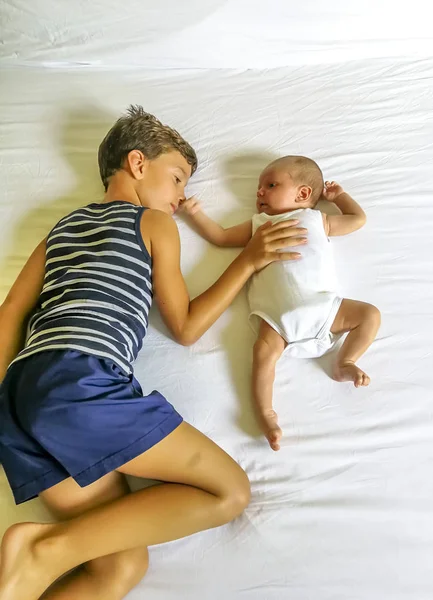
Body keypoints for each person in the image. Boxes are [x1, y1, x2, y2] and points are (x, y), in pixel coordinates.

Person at [0, 107, 305, 600]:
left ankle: (41, 556)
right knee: (228, 492)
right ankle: (43, 552)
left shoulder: (60, 229)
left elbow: (10, 312)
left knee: (119, 566)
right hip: (83, 382)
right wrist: (248, 260)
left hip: (20, 399)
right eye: (178, 178)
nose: (181, 196)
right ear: (137, 164)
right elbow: (185, 326)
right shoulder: (152, 223)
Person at [181, 155, 381, 452]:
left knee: (370, 314)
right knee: (262, 355)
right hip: (277, 318)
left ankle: (345, 361)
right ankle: (266, 413)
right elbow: (221, 238)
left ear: (302, 194)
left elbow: (358, 220)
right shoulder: (258, 225)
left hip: (324, 306)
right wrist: (195, 215)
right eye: (259, 187)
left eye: (270, 184)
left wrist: (340, 197)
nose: (259, 192)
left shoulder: (317, 219)